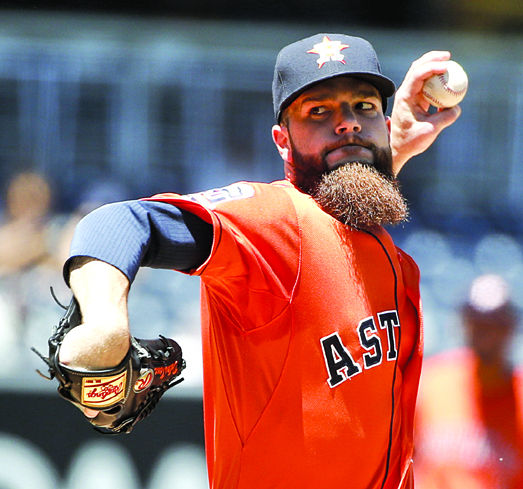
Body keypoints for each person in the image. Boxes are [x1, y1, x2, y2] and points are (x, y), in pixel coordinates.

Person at [57, 33, 462, 488]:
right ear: (282, 140)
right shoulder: (273, 223)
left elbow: (344, 212)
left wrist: (390, 150)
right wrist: (104, 325)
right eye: (319, 112)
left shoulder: (375, 241)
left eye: (363, 107)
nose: (347, 123)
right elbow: (121, 223)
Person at [414, 274, 523, 489]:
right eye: (477, 321)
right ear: (465, 322)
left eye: (496, 323)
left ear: (511, 327)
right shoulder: (430, 381)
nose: (486, 332)